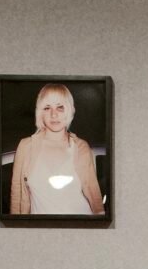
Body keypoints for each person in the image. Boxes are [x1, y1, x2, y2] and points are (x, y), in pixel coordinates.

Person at [10, 83, 104, 215]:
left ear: (70, 110)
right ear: (40, 112)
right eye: (47, 108)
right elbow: (16, 194)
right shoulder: (26, 147)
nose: (54, 115)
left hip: (82, 227)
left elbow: (94, 193)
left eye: (60, 107)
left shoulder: (81, 147)